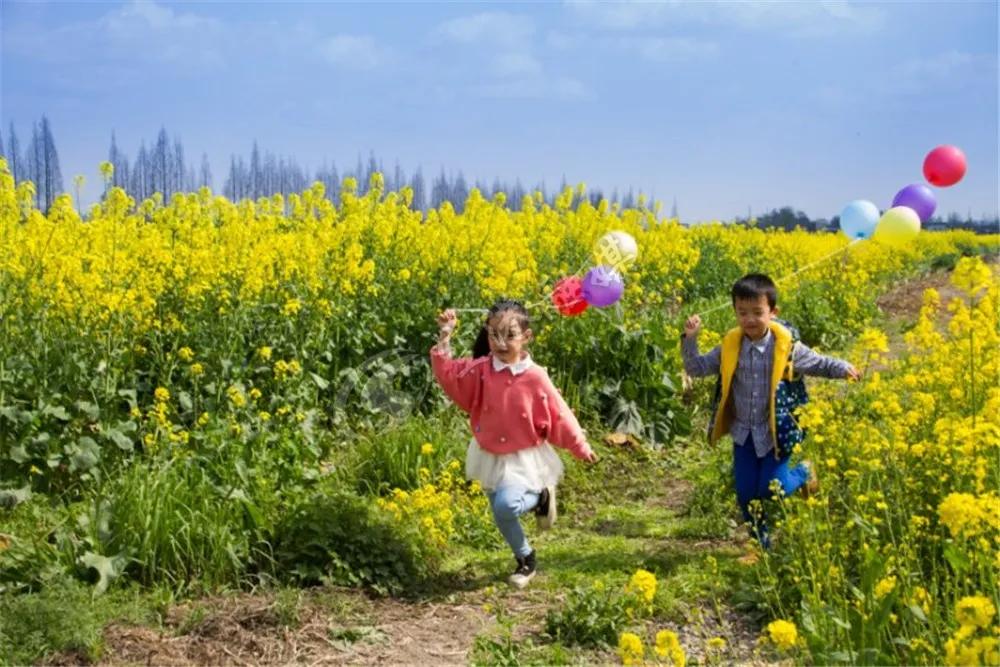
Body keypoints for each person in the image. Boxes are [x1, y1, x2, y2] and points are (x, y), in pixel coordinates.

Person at [682, 273, 860, 553]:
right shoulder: (730, 347)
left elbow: (819, 363)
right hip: (744, 433)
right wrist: (690, 339)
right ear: (735, 312)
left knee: (772, 488)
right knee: (745, 493)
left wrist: (843, 368)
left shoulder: (787, 348)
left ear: (773, 312)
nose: (750, 319)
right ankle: (760, 547)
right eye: (742, 313)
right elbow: (696, 368)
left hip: (778, 431)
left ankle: (804, 472)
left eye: (757, 312)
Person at [431, 299, 598, 587]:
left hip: (524, 457)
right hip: (488, 454)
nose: (500, 343)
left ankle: (541, 496)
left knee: (506, 506)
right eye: (494, 334)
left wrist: (580, 446)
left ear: (526, 336)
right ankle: (525, 558)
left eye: (509, 335)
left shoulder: (535, 376)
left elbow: (559, 414)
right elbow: (449, 376)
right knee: (502, 513)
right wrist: (446, 334)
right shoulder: (481, 370)